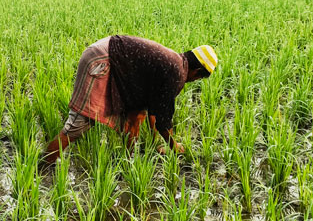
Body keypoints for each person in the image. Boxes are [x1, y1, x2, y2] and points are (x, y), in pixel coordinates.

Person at [41, 36, 216, 165]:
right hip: (102, 60)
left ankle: (126, 161)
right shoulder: (176, 73)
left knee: (136, 116)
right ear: (197, 71)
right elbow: (163, 121)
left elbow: (152, 112)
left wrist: (156, 145)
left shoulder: (175, 63)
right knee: (79, 125)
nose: (194, 81)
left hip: (109, 57)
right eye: (199, 78)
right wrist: (174, 145)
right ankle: (42, 169)